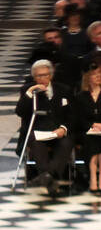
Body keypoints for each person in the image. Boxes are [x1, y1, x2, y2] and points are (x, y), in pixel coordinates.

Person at [15, 59, 72, 194]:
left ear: (51, 75)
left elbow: (71, 114)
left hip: (58, 130)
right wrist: (29, 93)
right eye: (38, 76)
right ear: (34, 77)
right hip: (37, 132)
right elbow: (20, 112)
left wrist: (63, 128)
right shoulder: (28, 90)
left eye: (45, 75)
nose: (42, 78)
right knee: (36, 143)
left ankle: (46, 176)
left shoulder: (64, 89)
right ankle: (49, 177)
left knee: (67, 142)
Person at [73, 61, 101, 193]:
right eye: (94, 74)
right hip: (86, 130)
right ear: (88, 78)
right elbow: (78, 118)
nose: (98, 76)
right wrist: (92, 125)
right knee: (91, 141)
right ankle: (92, 177)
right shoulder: (80, 96)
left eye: (99, 74)